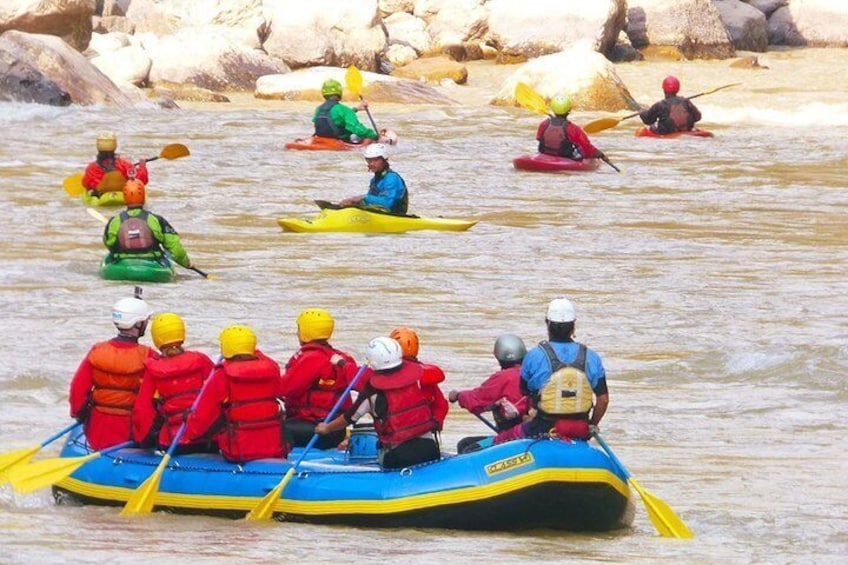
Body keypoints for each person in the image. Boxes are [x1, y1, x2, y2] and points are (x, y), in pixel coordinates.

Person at [316, 337, 440, 469]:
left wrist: (326, 428)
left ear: (373, 362)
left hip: (399, 456)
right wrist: (343, 364)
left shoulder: (371, 391)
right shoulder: (416, 379)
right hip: (430, 449)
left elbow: (348, 418)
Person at [500, 297, 609, 444]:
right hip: (580, 430)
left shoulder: (534, 356)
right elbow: (603, 399)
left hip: (541, 428)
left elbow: (525, 391)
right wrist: (592, 425)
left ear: (548, 324)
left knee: (501, 439)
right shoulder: (592, 357)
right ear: (573, 326)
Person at [181, 325, 289, 463]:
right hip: (275, 448)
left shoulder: (222, 374)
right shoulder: (272, 369)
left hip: (239, 451)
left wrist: (189, 424)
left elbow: (202, 421)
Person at [69, 292, 154, 450]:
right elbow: (150, 401)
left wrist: (80, 416)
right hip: (129, 431)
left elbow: (77, 390)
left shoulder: (97, 351)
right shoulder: (149, 357)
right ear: (138, 324)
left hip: (97, 430)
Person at [131, 313, 216, 452]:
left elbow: (143, 411)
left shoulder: (153, 370)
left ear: (157, 339)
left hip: (173, 442)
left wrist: (143, 441)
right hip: (208, 440)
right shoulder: (202, 361)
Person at [280, 308, 358, 449]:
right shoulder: (343, 357)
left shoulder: (310, 359)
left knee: (271, 428)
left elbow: (283, 389)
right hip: (335, 429)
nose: (297, 332)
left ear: (305, 332)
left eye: (299, 329)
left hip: (317, 430)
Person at [103, 179, 192, 270]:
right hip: (152, 263)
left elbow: (109, 243)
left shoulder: (114, 221)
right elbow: (175, 249)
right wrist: (186, 264)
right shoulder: (156, 219)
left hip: (123, 263)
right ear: (143, 196)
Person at [448, 333, 528, 432]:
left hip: (514, 435)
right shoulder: (534, 372)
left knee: (465, 444)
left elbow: (476, 400)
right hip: (537, 431)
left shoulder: (502, 378)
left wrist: (458, 395)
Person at [389, 327, 449, 430]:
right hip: (425, 430)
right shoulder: (427, 376)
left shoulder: (386, 376)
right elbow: (441, 404)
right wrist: (436, 420)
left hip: (397, 433)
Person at [338, 144, 408, 214]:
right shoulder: (374, 180)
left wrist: (363, 198)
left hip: (395, 216)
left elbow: (387, 203)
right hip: (380, 214)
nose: (371, 163)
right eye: (369, 160)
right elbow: (370, 202)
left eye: (375, 160)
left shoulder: (391, 178)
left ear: (384, 160)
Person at [313, 78, 386, 144]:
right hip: (339, 141)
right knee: (360, 137)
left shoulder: (318, 109)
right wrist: (375, 136)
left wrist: (356, 109)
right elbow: (357, 128)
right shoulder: (344, 110)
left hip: (320, 139)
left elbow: (334, 117)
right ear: (339, 93)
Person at [536, 95, 606, 162]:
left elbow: (538, 138)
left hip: (544, 155)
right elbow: (586, 148)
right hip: (564, 157)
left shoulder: (544, 124)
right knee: (578, 150)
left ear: (553, 109)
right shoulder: (572, 128)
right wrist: (599, 154)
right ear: (569, 110)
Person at [82, 132, 148, 196]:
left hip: (101, 196)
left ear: (98, 146)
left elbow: (85, 184)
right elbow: (142, 180)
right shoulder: (124, 164)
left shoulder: (91, 168)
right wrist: (142, 166)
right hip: (122, 195)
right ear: (115, 145)